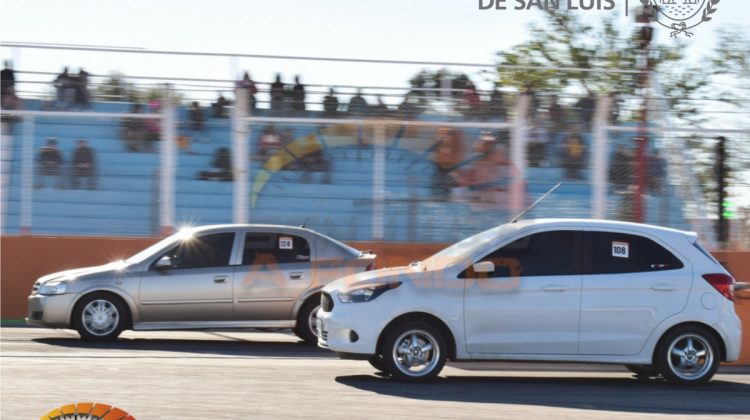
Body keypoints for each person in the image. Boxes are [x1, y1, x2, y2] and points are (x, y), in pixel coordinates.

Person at [431, 128, 463, 199]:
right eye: (442, 149)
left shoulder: (459, 178)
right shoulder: (429, 173)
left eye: (451, 149)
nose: (446, 154)